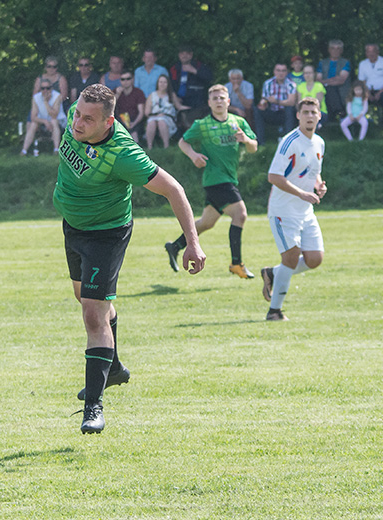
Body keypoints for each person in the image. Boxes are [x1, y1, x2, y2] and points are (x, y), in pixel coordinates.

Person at [55, 84, 206, 434]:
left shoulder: (124, 154)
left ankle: (93, 407)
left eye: (87, 119)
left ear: (109, 121)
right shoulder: (75, 119)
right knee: (90, 301)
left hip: (106, 234)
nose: (77, 123)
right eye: (76, 114)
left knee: (93, 313)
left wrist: (193, 244)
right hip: (73, 228)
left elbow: (175, 189)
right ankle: (115, 367)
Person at [165, 84, 258, 279]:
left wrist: (246, 141)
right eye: (214, 98)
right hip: (216, 179)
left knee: (207, 222)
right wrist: (193, 155)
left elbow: (253, 148)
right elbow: (183, 142)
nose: (218, 101)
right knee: (240, 215)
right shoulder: (202, 125)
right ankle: (236, 263)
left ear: (228, 101)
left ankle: (175, 246)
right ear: (209, 103)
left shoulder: (238, 121)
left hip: (229, 177)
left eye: (221, 98)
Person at [260, 97, 327, 321]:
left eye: (313, 112)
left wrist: (318, 184)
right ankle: (274, 311)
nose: (309, 116)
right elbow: (273, 176)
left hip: (305, 210)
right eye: (305, 112)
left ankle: (272, 273)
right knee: (291, 257)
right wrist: (301, 193)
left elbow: (312, 170)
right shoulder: (290, 142)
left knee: (315, 259)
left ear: (319, 115)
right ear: (298, 116)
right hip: (283, 210)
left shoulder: (319, 142)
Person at [169, 45, 213, 130]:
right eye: (182, 53)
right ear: (179, 55)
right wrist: (175, 98)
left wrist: (194, 71)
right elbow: (170, 85)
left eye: (187, 54)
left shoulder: (199, 65)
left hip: (197, 100)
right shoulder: (175, 68)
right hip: (179, 100)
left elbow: (209, 78)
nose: (184, 56)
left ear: (191, 55)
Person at [253, 63, 297, 144]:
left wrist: (276, 101)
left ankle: (288, 141)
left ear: (286, 72)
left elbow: (291, 102)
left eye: (283, 71)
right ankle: (260, 142)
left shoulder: (291, 84)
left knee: (290, 109)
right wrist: (263, 104)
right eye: (278, 70)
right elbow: (264, 99)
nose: (281, 73)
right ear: (274, 72)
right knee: (257, 110)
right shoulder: (268, 83)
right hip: (272, 112)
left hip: (285, 114)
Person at [20, 79, 67, 155]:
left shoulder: (57, 96)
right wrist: (45, 122)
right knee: (33, 124)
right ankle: (24, 150)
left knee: (53, 121)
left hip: (59, 122)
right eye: (43, 88)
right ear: (40, 89)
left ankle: (56, 149)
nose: (45, 90)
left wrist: (45, 102)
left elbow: (54, 115)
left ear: (51, 88)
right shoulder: (36, 97)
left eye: (47, 88)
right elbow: (33, 117)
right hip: (44, 121)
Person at [144, 74, 187, 149]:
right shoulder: (152, 95)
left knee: (161, 121)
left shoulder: (171, 95)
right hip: (154, 117)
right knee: (151, 123)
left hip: (168, 118)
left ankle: (166, 146)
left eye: (165, 82)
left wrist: (193, 109)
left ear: (168, 84)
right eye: (160, 82)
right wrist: (156, 115)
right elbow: (147, 112)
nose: (162, 84)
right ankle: (149, 147)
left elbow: (179, 107)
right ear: (157, 83)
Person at [357, 43, 383, 126]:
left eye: (373, 51)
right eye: (368, 51)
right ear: (366, 53)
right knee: (356, 99)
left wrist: (379, 93)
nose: (371, 54)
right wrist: (368, 94)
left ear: (377, 52)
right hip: (368, 91)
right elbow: (362, 82)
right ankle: (358, 126)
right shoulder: (362, 64)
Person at [317, 39, 352, 121]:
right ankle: (339, 112)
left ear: (341, 50)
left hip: (341, 90)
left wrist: (326, 82)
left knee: (329, 89)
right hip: (324, 90)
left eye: (338, 48)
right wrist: (334, 79)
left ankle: (335, 114)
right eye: (333, 48)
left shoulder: (345, 62)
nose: (335, 51)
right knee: (328, 90)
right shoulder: (322, 63)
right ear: (329, 50)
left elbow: (341, 80)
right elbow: (318, 79)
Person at [114, 72, 146, 141]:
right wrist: (117, 95)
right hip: (120, 120)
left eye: (128, 79)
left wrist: (134, 123)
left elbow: (141, 113)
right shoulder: (116, 91)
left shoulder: (138, 92)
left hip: (136, 120)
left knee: (134, 133)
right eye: (123, 79)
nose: (125, 81)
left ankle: (135, 149)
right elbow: (109, 108)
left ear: (132, 80)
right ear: (120, 81)